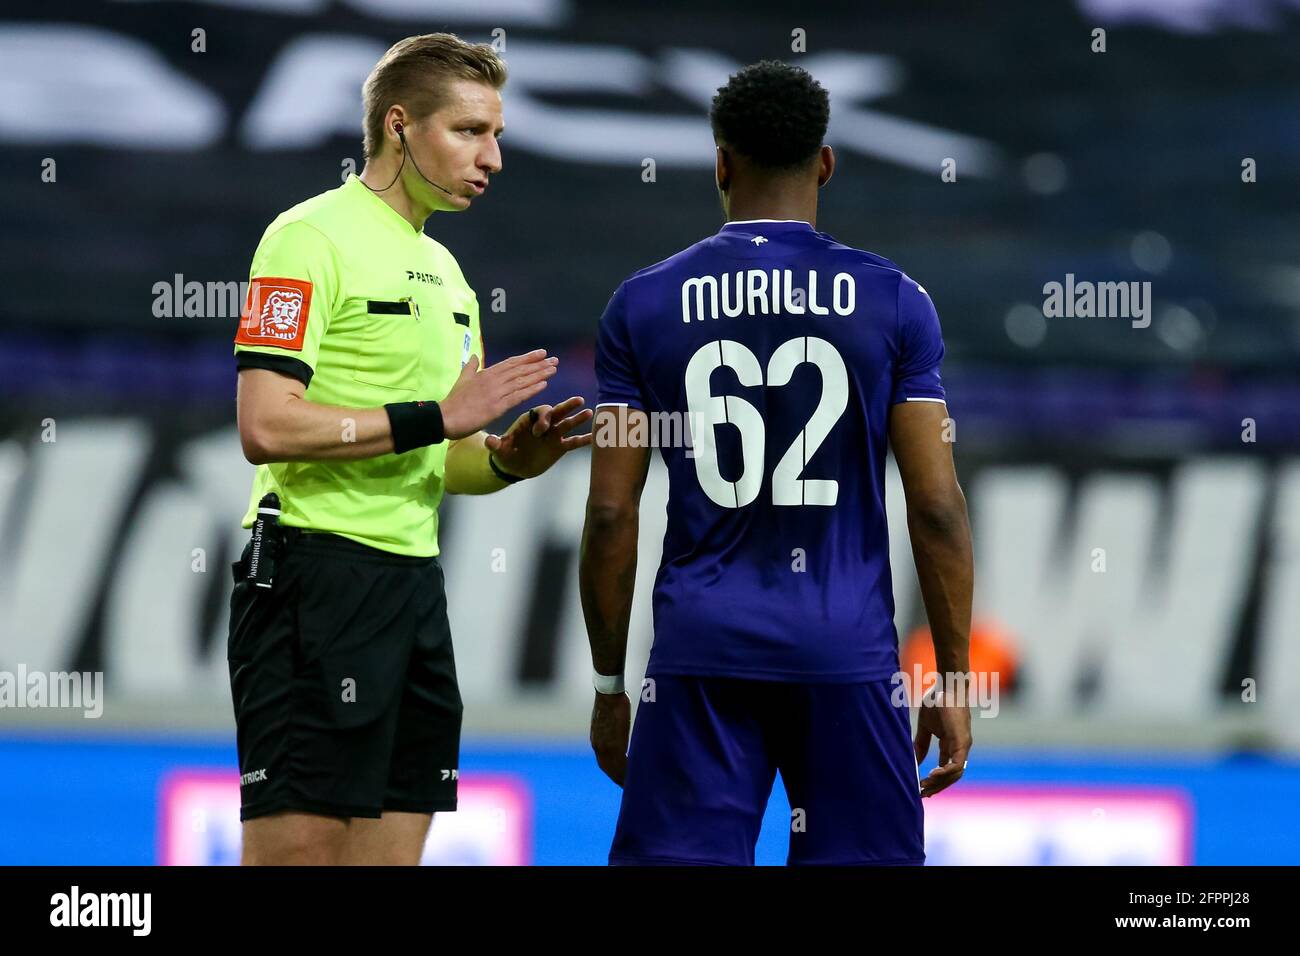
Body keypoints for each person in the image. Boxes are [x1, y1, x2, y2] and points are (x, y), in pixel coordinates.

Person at [579, 60, 973, 865]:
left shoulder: (643, 304)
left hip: (700, 653)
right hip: (846, 655)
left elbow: (613, 511)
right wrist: (956, 682)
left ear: (721, 162)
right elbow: (935, 506)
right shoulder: (895, 301)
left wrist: (612, 686)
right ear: (825, 161)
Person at [228, 33, 592, 865]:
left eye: (496, 135)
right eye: (469, 131)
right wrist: (438, 415)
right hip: (313, 578)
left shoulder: (448, 274)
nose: (492, 157)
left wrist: (506, 459)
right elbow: (267, 426)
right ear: (399, 126)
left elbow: (445, 452)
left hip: (411, 591)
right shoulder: (306, 237)